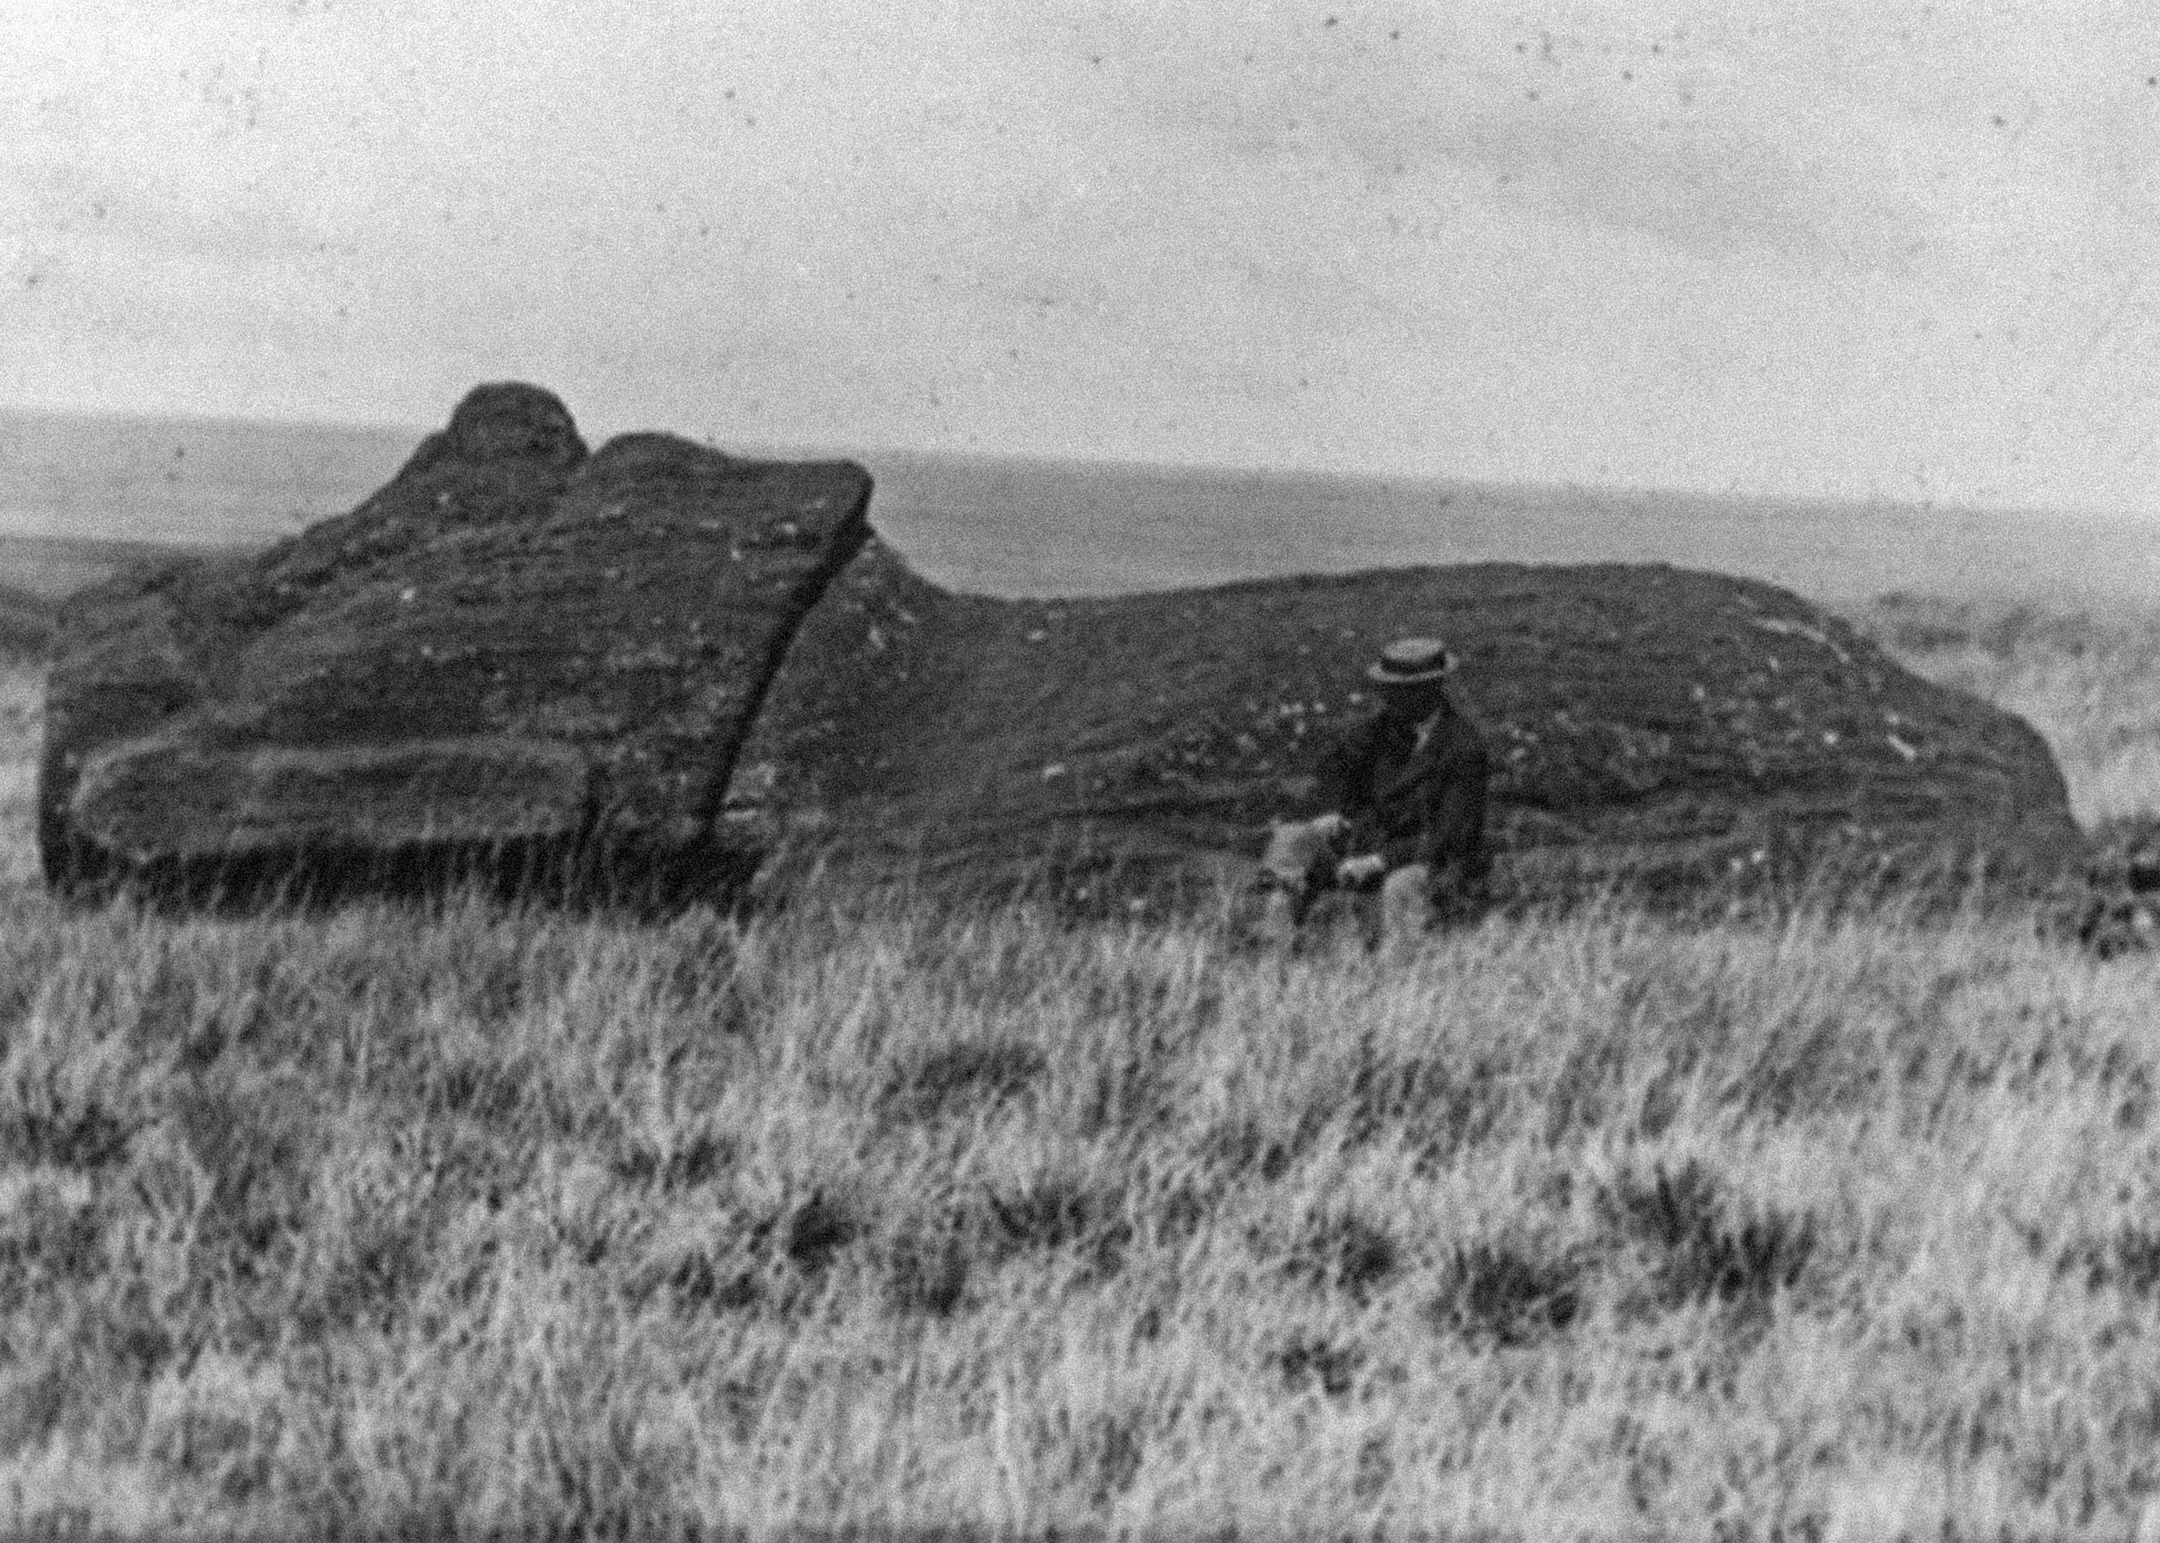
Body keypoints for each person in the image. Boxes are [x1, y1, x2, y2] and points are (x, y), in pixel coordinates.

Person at [1257, 636, 1492, 945]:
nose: (1389, 698)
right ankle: (1275, 946)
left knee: (1401, 885)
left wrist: (1379, 861)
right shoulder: (1379, 730)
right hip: (1369, 846)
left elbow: (1451, 835)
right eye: (1388, 689)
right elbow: (1336, 772)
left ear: (1431, 689)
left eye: (1401, 690)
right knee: (1293, 838)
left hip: (1436, 863)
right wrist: (1334, 814)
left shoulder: (1464, 747)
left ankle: (1405, 964)